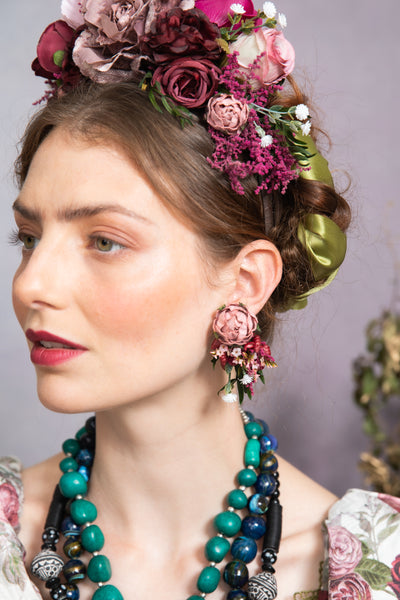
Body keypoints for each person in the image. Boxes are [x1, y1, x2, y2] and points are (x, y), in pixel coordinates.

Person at [1, 1, 399, 599]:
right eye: (30, 239)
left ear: (245, 281)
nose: (31, 285)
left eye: (104, 241)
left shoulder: (375, 562)